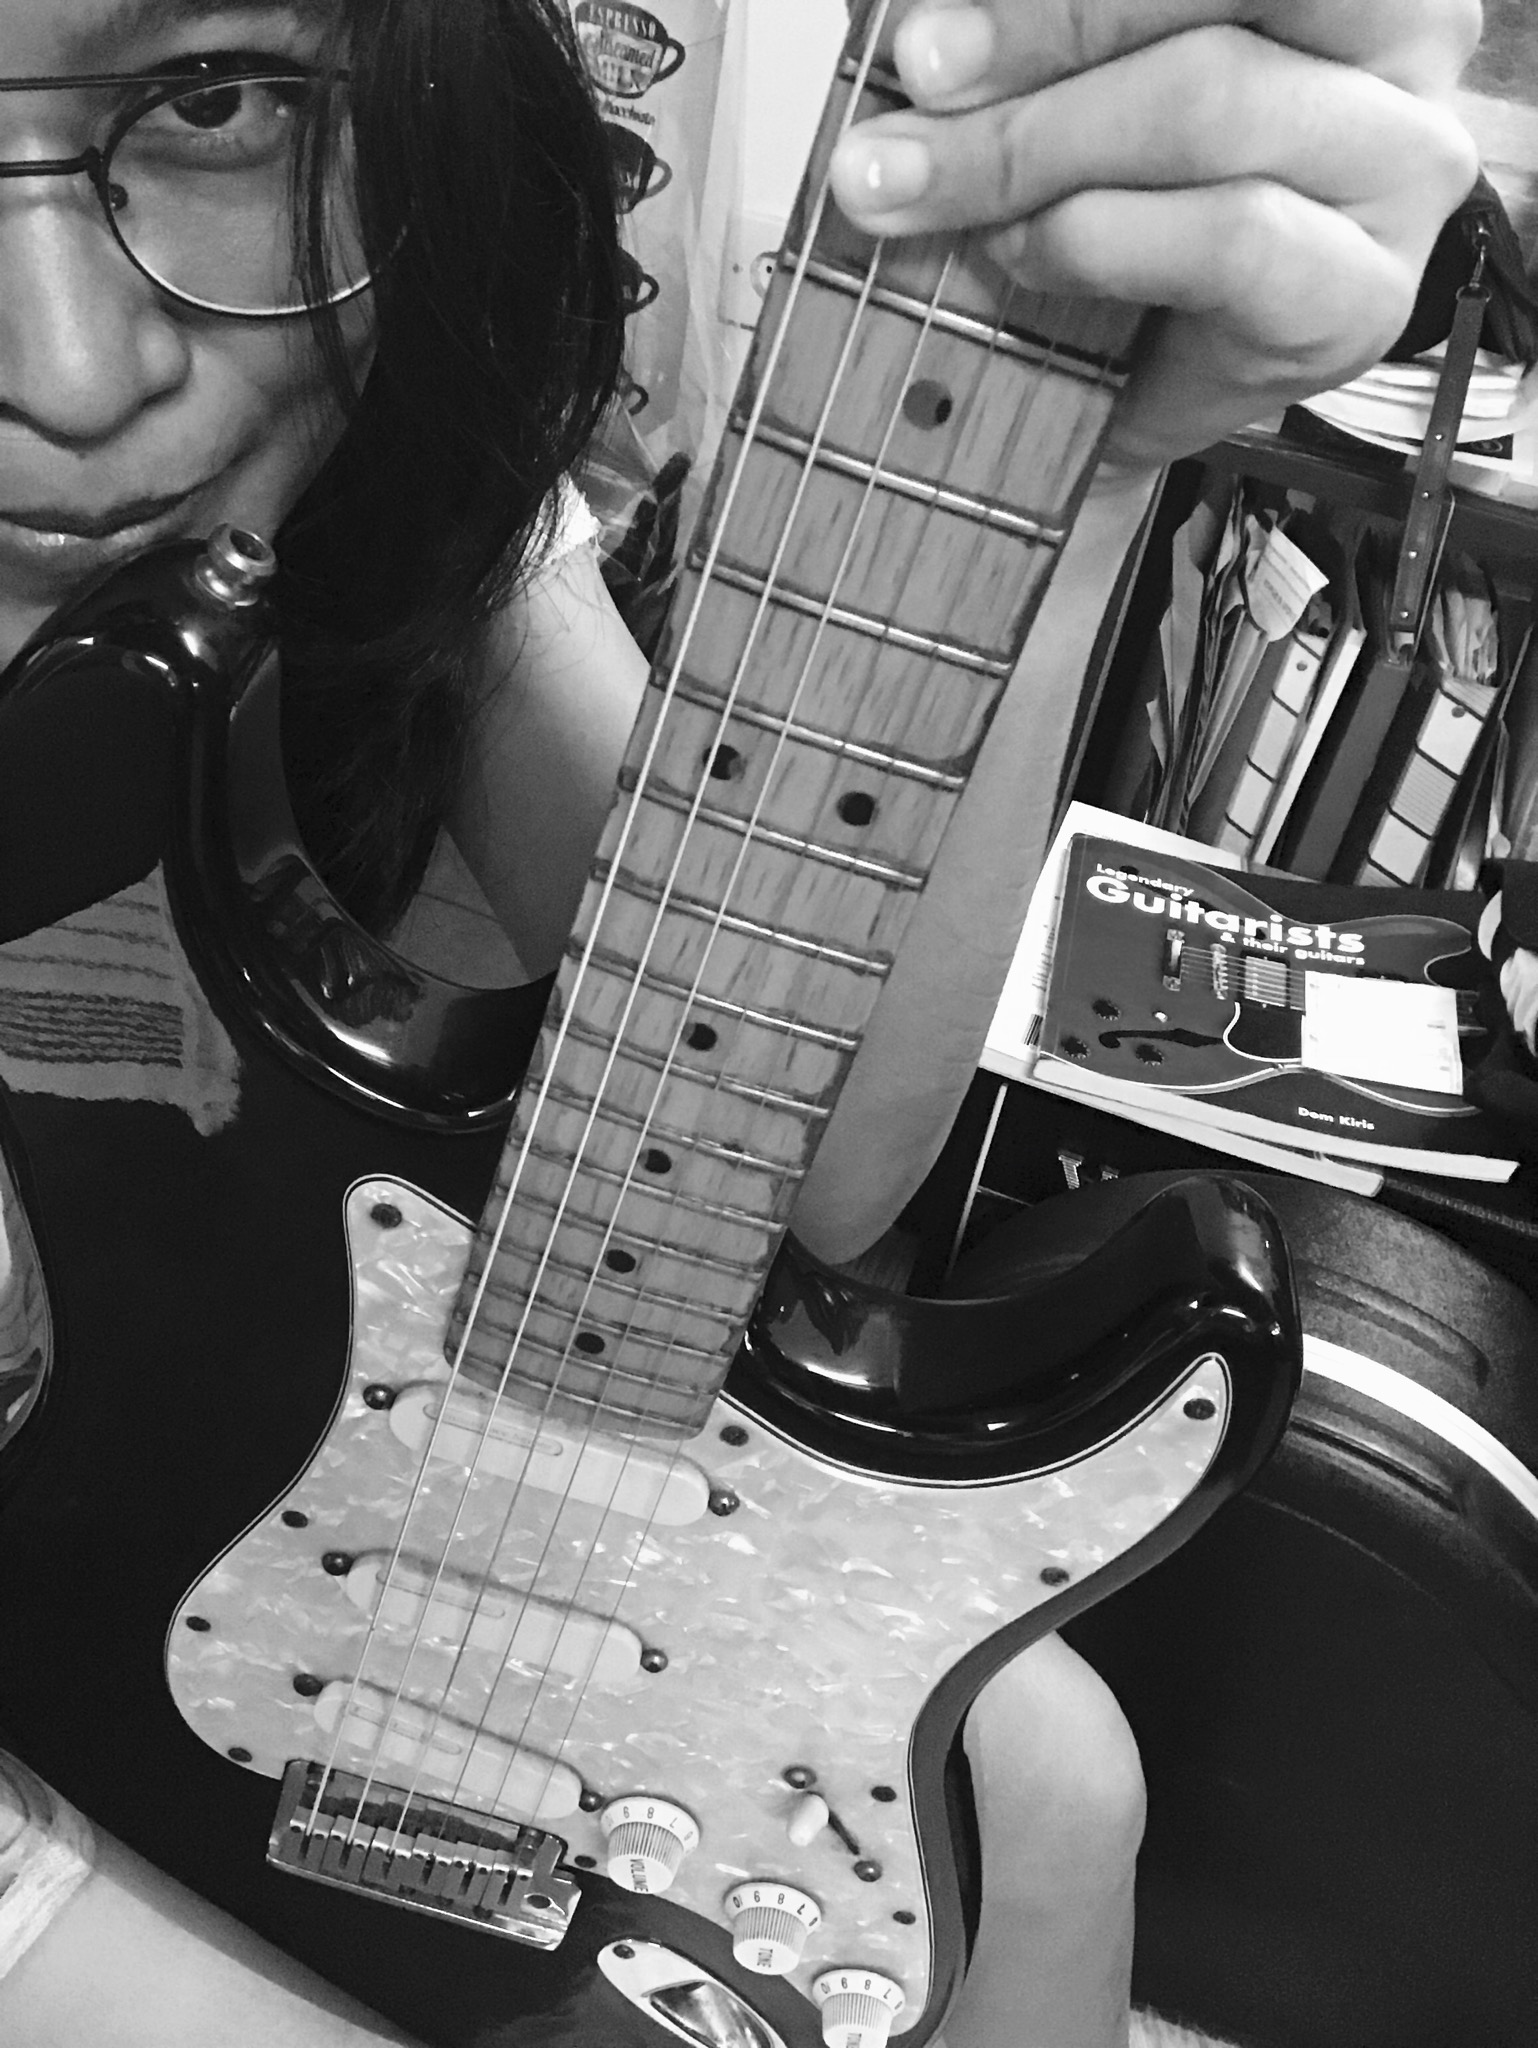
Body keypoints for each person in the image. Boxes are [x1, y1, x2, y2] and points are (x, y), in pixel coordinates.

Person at [0, 0, 1481, 2044]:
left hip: (167, 1491)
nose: (72, 370)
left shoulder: (386, 473)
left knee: (1041, 1777)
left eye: (211, 98)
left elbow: (794, 1162)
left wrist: (1068, 465)